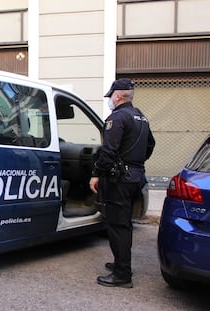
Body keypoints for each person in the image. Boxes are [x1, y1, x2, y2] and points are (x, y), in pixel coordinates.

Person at [89, 78, 155, 288]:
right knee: (124, 224)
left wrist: (96, 173)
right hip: (136, 177)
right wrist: (135, 163)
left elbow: (108, 152)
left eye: (110, 96)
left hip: (120, 180)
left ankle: (122, 274)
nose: (109, 100)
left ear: (117, 96)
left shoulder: (116, 118)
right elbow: (151, 145)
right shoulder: (141, 117)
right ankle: (121, 264)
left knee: (118, 226)